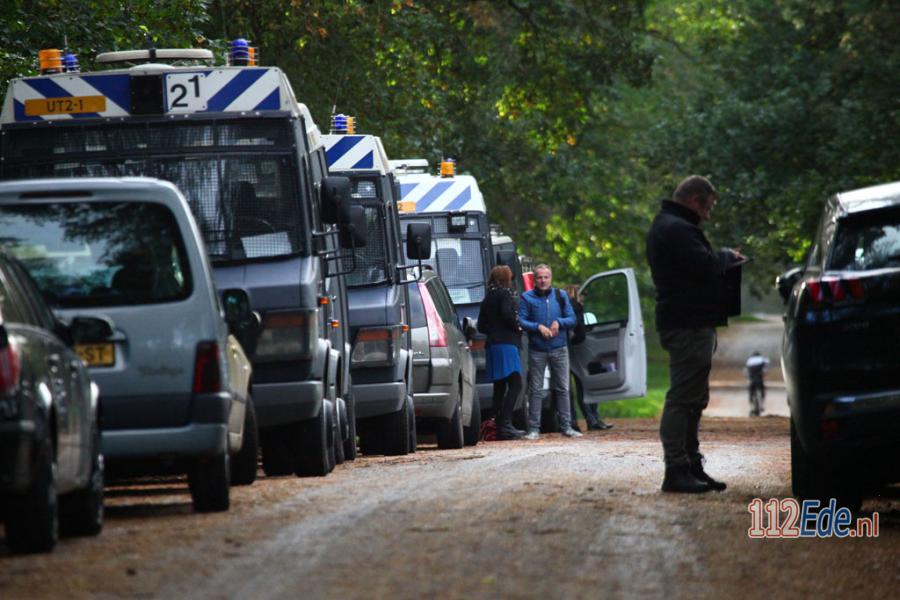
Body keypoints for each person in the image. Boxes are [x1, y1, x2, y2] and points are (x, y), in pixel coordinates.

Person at [646, 175, 745, 493]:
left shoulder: (673, 226)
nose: (709, 214)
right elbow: (702, 266)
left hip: (690, 322)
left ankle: (690, 465)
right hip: (686, 324)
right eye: (708, 207)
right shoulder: (676, 229)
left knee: (694, 398)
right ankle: (676, 469)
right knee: (683, 399)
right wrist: (727, 257)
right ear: (694, 200)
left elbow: (697, 265)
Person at [518, 264, 581, 439]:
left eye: (546, 277)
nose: (543, 280)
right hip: (537, 349)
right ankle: (534, 429)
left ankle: (566, 427)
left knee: (562, 388)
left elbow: (572, 318)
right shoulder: (526, 297)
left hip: (559, 348)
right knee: (535, 389)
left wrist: (558, 323)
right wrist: (537, 327)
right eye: (539, 277)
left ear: (550, 278)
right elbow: (521, 321)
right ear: (534, 280)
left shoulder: (560, 296)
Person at [478, 265, 525, 440]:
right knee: (516, 384)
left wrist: (494, 330)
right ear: (506, 278)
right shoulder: (505, 294)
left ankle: (497, 425)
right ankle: (505, 424)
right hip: (507, 344)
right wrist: (517, 327)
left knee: (499, 386)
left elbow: (481, 326)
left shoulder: (488, 297)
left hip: (492, 345)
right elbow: (507, 314)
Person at [563, 284, 613, 432]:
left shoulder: (572, 308)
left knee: (582, 385)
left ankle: (591, 418)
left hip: (577, 350)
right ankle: (591, 419)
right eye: (582, 294)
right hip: (576, 351)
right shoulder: (575, 307)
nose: (584, 297)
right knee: (582, 385)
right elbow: (576, 330)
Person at [744, 351, 770, 416]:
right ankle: (761, 404)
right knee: (762, 389)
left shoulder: (749, 360)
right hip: (759, 377)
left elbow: (745, 371)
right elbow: (766, 367)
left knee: (751, 391)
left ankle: (751, 404)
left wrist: (747, 377)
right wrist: (764, 372)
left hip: (752, 378)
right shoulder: (762, 359)